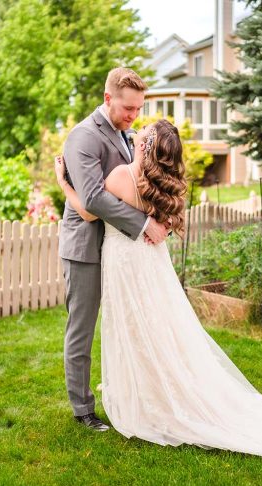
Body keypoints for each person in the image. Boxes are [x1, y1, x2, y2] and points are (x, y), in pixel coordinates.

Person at [55, 119, 262, 465]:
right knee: (159, 329)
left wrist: (63, 183)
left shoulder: (120, 178)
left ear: (144, 145)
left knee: (135, 330)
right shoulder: (161, 186)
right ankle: (162, 392)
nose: (137, 128)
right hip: (151, 262)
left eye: (143, 131)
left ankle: (148, 401)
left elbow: (89, 210)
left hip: (127, 263)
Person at [59, 67, 170, 432]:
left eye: (138, 109)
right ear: (108, 99)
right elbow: (91, 199)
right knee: (83, 328)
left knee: (128, 323)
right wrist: (142, 225)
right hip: (86, 248)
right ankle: (82, 409)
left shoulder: (127, 134)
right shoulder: (83, 137)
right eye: (127, 109)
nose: (134, 116)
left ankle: (133, 395)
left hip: (118, 250)